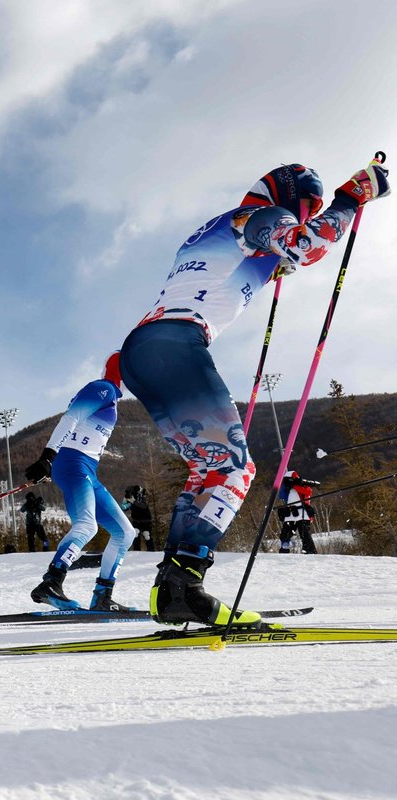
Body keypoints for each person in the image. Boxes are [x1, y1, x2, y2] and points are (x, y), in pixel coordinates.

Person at [118, 159, 387, 626]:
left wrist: (275, 267)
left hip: (146, 350)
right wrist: (351, 197)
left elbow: (244, 269)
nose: (307, 216)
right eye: (307, 207)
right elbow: (304, 245)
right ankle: (182, 585)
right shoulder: (258, 217)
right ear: (290, 198)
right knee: (235, 469)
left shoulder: (228, 230)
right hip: (175, 342)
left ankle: (173, 589)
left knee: (210, 470)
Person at [24, 354, 136, 612]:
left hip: (86, 469)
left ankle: (103, 596)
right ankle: (52, 582)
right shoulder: (104, 388)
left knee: (124, 532)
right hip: (73, 463)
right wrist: (48, 456)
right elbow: (70, 418)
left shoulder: (111, 397)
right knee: (87, 526)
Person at [279, 471, 319, 554]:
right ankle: (284, 550)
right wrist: (286, 486)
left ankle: (309, 551)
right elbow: (282, 496)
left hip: (302, 513)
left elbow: (308, 492)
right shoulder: (287, 488)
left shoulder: (302, 485)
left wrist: (295, 485)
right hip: (290, 513)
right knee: (285, 534)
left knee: (305, 534)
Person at [122, 485, 156, 551]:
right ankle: (137, 551)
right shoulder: (130, 497)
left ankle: (151, 551)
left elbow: (143, 506)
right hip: (136, 519)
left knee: (147, 535)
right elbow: (123, 508)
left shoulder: (142, 495)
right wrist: (128, 503)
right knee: (135, 534)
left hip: (145, 519)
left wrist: (133, 501)